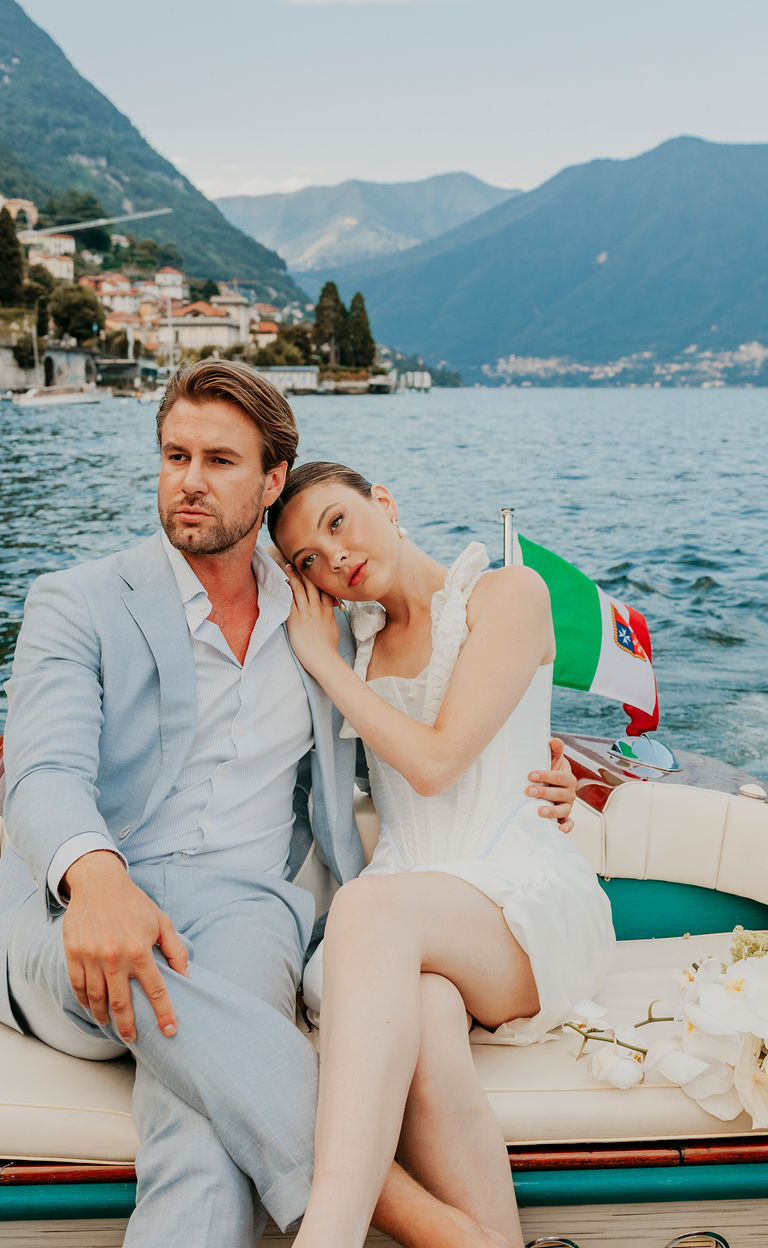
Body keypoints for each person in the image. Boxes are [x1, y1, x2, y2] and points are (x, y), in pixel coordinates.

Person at [0, 362, 579, 1248]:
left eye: (218, 460)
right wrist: (94, 879)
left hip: (247, 911)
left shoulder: (321, 619)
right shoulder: (78, 602)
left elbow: (416, 743)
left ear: (271, 480)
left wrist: (549, 770)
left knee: (205, 1145)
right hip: (80, 906)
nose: (190, 481)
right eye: (174, 456)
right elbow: (42, 773)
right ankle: (445, 1234)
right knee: (156, 974)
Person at [267, 461, 616, 1248]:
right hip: (414, 908)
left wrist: (320, 662)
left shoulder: (509, 595)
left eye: (336, 522)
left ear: (382, 502)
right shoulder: (347, 644)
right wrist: (325, 655)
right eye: (307, 563)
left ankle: (327, 1236)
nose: (334, 558)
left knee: (364, 909)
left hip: (518, 899)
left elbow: (434, 764)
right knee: (420, 1013)